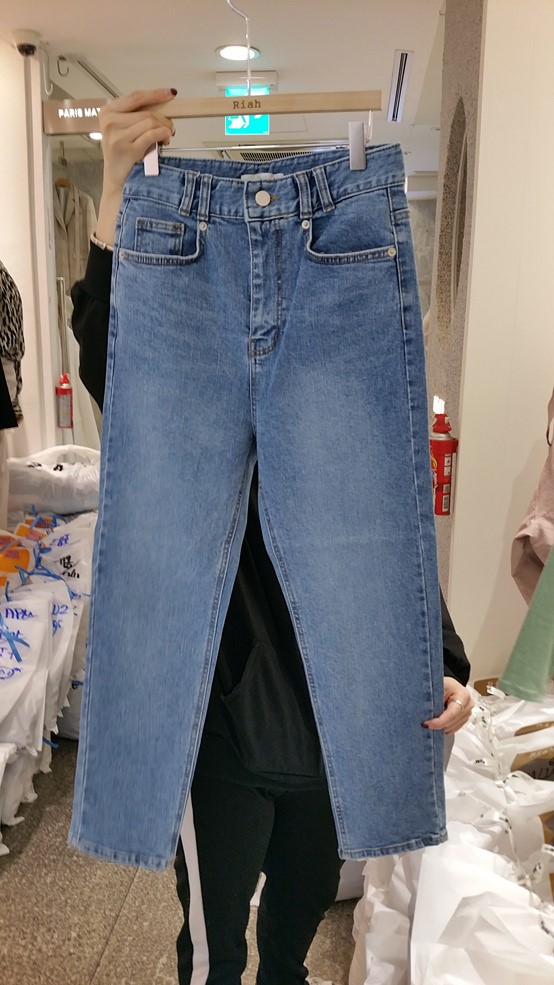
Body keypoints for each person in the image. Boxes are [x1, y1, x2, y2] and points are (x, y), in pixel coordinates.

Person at [70, 88, 474, 985]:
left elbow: (381, 519)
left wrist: (439, 658)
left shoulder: (337, 451)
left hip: (329, 724)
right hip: (222, 728)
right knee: (216, 950)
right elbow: (115, 365)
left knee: (291, 938)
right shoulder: (174, 420)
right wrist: (116, 201)